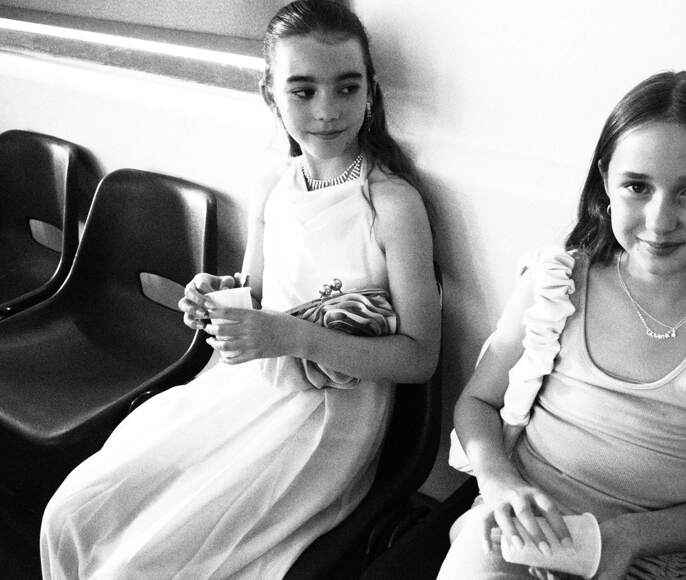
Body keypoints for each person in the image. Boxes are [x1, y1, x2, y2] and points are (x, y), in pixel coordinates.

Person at [40, 1, 440, 577]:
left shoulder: (393, 205)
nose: (327, 109)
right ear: (270, 94)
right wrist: (216, 295)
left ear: (370, 92)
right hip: (247, 387)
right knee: (72, 513)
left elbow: (420, 358)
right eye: (302, 91)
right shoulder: (272, 184)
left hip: (324, 419)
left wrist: (291, 336)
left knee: (138, 564)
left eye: (346, 88)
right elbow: (256, 291)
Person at [438, 71, 686, 580]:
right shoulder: (556, 286)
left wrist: (627, 537)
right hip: (516, 534)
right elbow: (477, 402)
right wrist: (500, 482)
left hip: (641, 559)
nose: (659, 220)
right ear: (606, 180)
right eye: (637, 186)